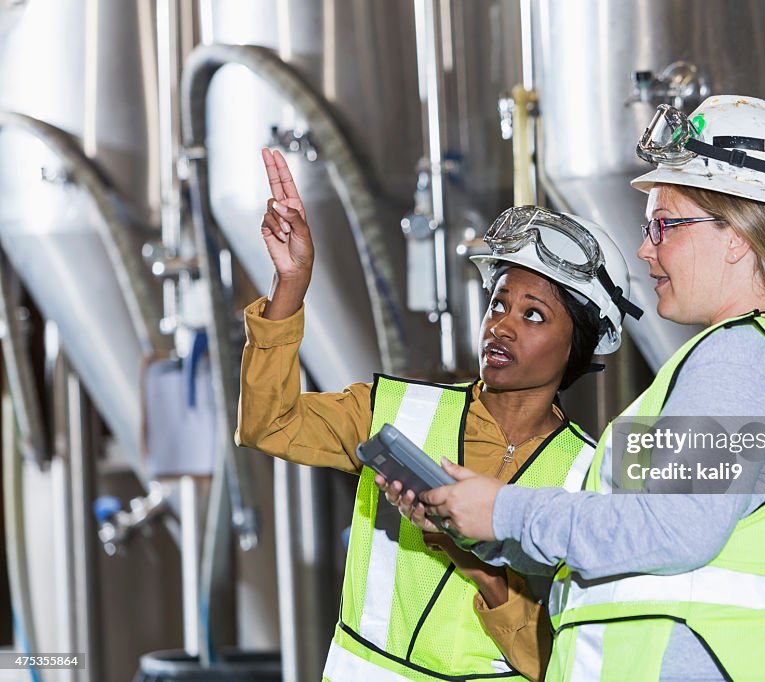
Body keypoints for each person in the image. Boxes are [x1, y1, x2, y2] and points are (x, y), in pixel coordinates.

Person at [389, 96, 765, 681]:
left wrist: (505, 509)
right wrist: (478, 523)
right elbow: (633, 546)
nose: (646, 248)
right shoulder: (758, 355)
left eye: (664, 224)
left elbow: (673, 532)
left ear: (738, 238)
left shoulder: (741, 358)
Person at [236, 149, 642, 681]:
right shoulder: (396, 410)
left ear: (579, 346)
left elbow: (565, 665)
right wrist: (291, 284)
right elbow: (270, 423)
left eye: (533, 315)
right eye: (498, 304)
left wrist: (469, 554)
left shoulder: (590, 479)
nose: (501, 326)